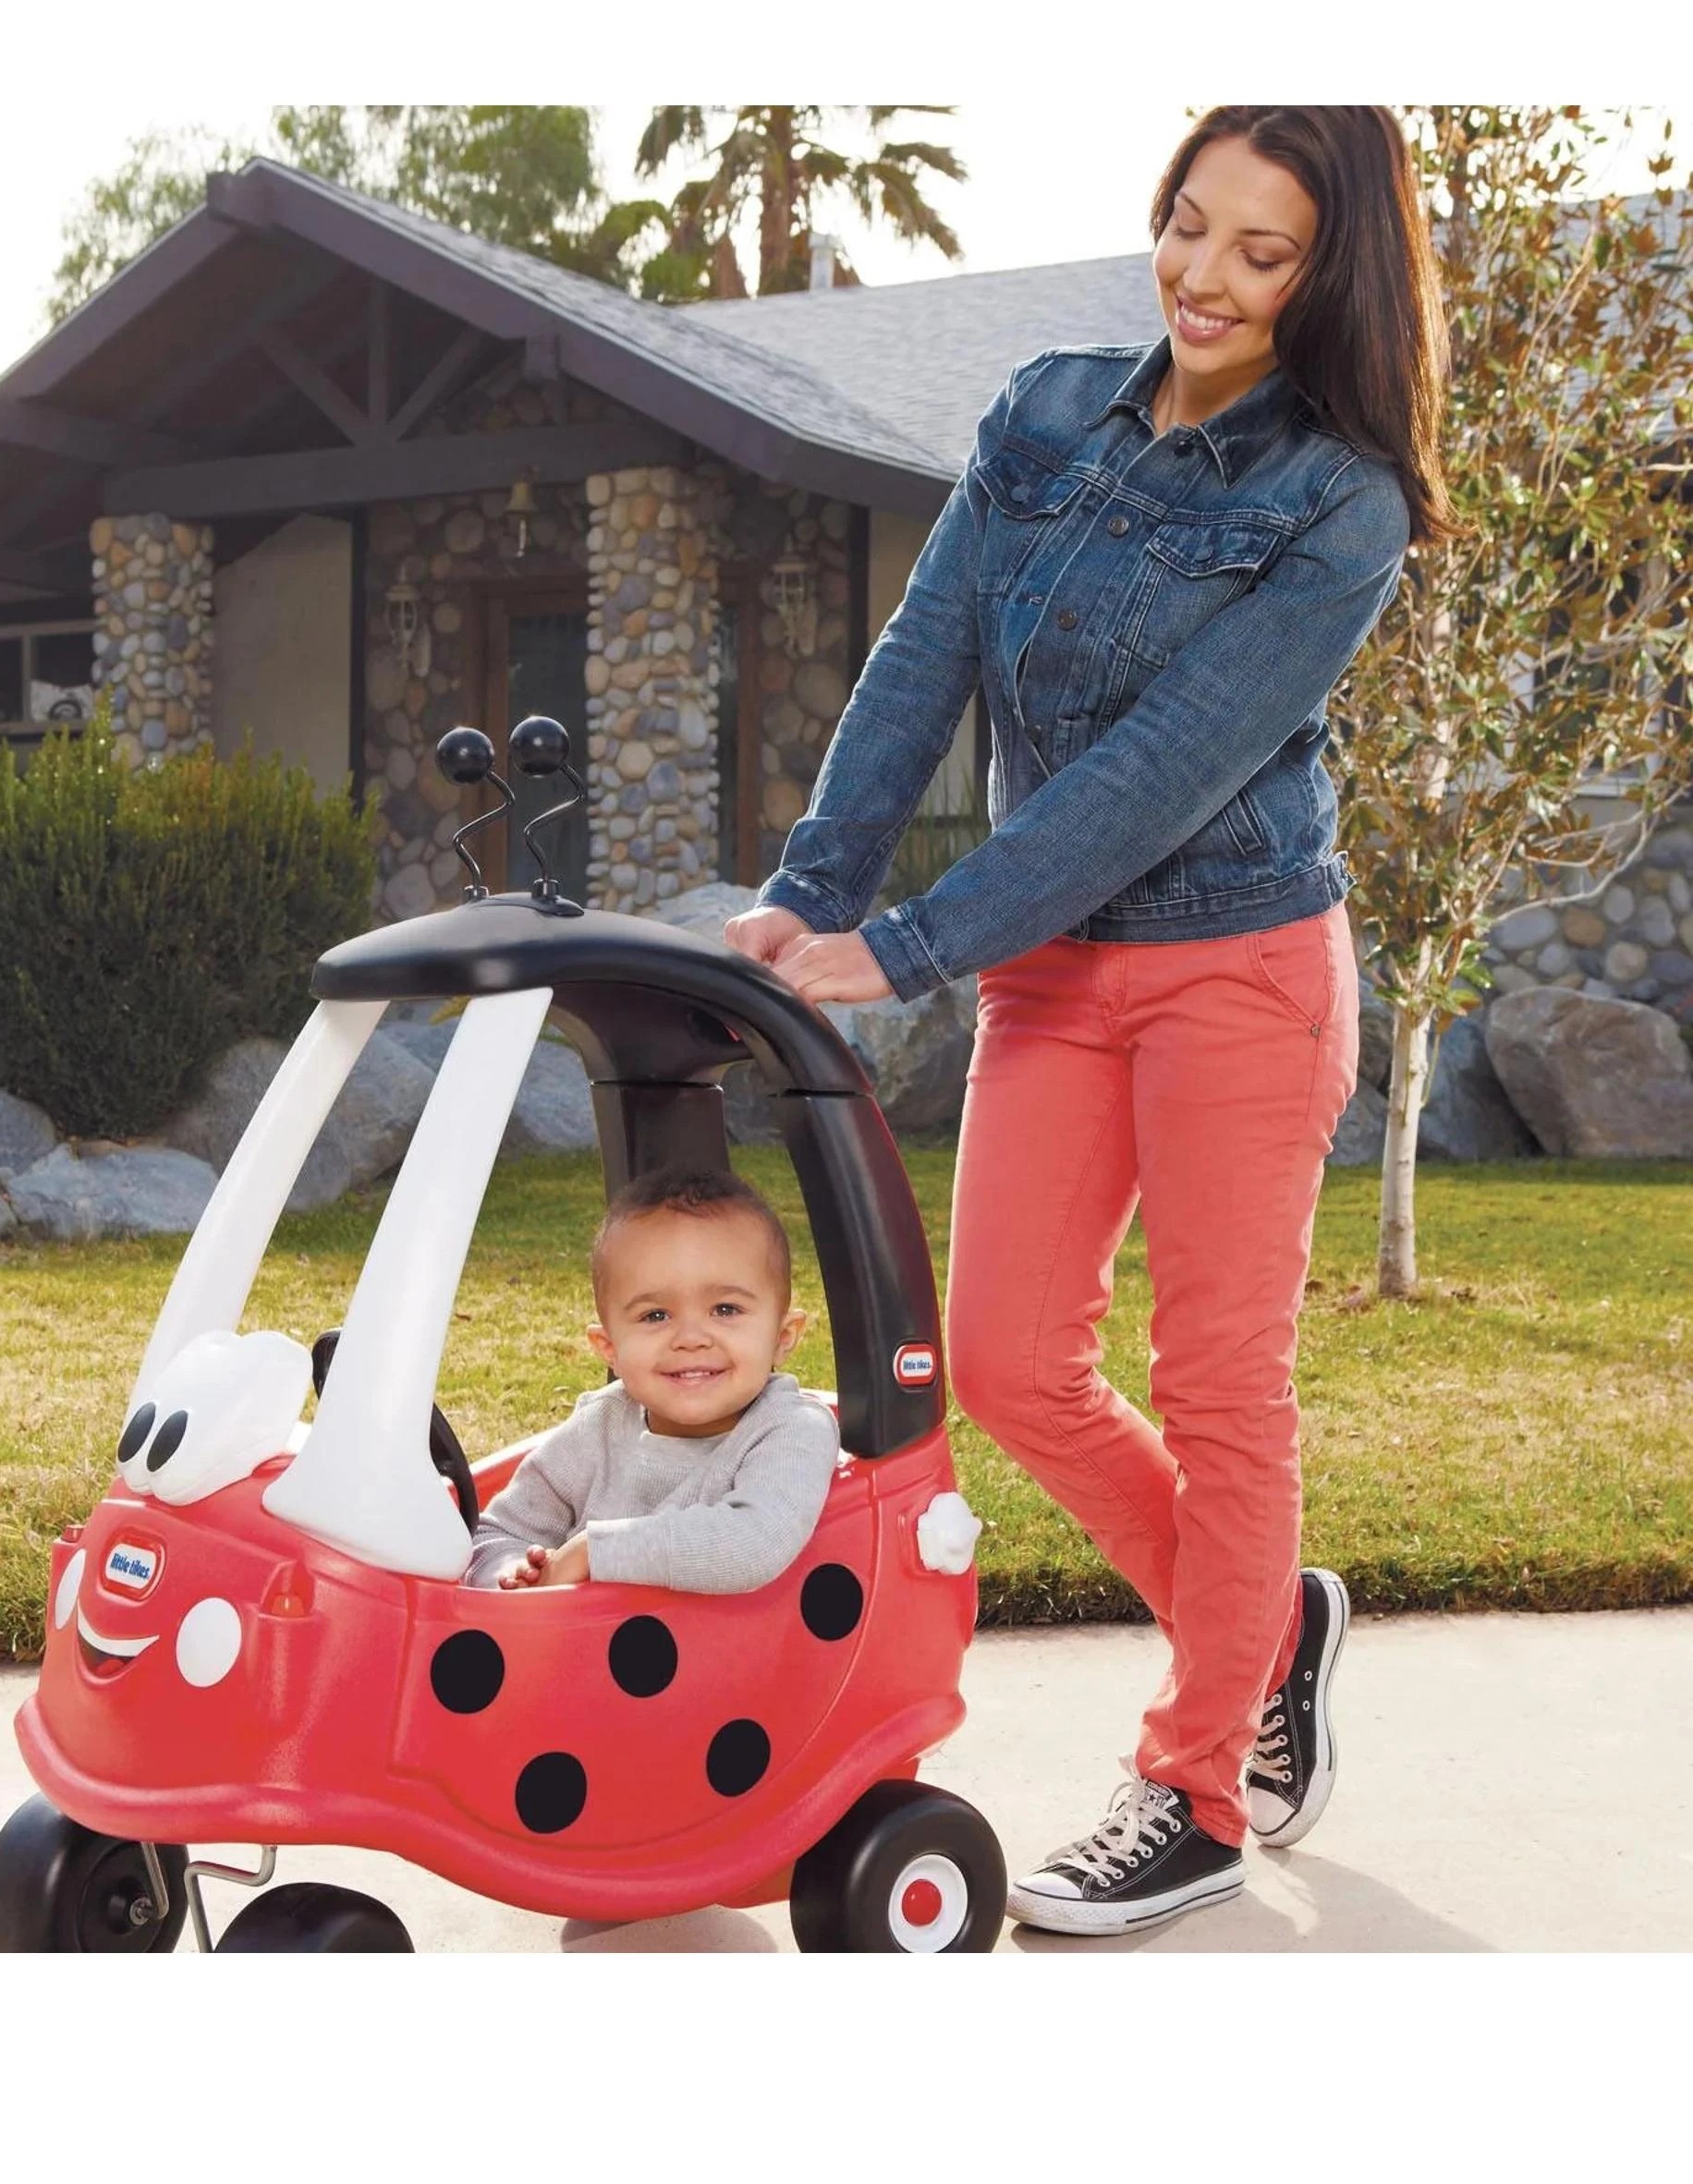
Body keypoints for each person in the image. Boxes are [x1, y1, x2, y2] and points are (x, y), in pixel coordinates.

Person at [726, 106, 1455, 1935]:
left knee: (1219, 1384)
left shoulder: (1342, 504)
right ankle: (1264, 1625)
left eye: (1260, 253)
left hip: (1239, 970)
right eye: (1187, 223)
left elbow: (1155, 777)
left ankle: (1195, 1785)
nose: (1201, 276)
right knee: (1004, 1361)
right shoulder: (1043, 411)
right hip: (1057, 978)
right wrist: (815, 887)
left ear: (1328, 280)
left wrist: (908, 943)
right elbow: (923, 656)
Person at [463, 1166, 839, 1593]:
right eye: (655, 1315)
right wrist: (514, 1571)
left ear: (782, 1337)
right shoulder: (597, 1428)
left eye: (725, 1310)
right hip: (581, 1633)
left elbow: (753, 1542)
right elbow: (493, 1535)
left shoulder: (792, 1430)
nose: (691, 1338)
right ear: (609, 1348)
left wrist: (590, 1553)